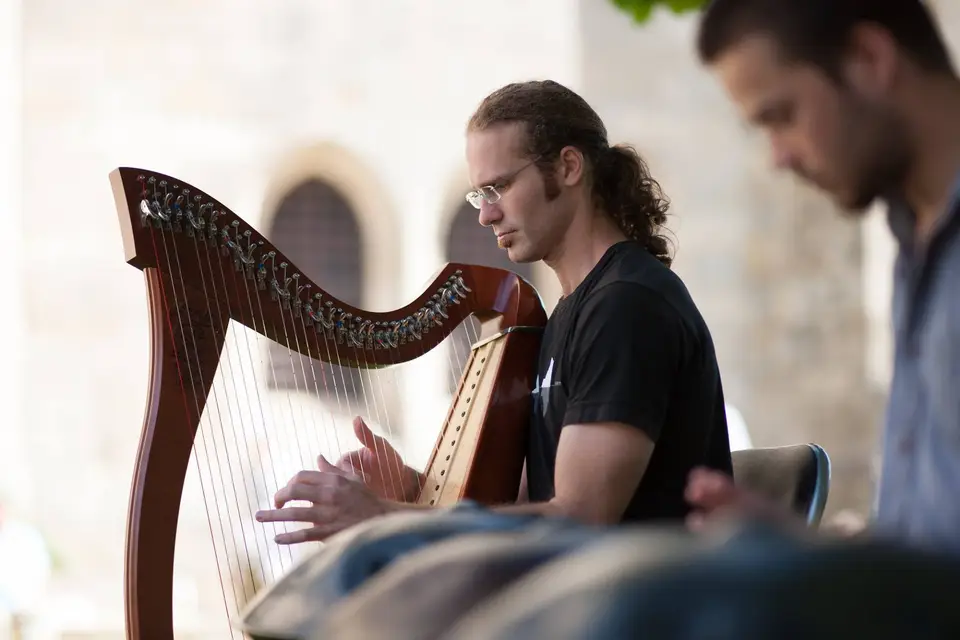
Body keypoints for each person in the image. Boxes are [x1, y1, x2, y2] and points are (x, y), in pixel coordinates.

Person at [255, 80, 733, 543]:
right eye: (479, 194)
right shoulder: (567, 312)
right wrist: (411, 490)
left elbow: (582, 519)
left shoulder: (627, 306)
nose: (486, 215)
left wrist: (383, 517)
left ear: (569, 167)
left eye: (500, 186)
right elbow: (529, 506)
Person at [686, 0, 960, 554]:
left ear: (869, 57)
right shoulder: (915, 238)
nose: (777, 158)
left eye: (781, 116)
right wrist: (804, 548)